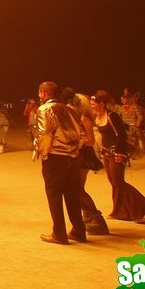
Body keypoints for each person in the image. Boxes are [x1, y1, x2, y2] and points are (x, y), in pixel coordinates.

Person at [91, 91, 145, 222]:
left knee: (119, 182)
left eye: (94, 104)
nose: (92, 106)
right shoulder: (97, 117)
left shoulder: (112, 116)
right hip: (106, 153)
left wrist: (120, 153)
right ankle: (119, 211)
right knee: (113, 183)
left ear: (102, 104)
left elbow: (121, 135)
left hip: (116, 153)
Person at [34, 81, 86, 244]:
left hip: (55, 158)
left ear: (43, 93)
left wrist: (43, 153)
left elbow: (44, 135)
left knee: (54, 195)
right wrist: (74, 149)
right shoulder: (69, 109)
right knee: (72, 195)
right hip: (73, 157)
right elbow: (83, 133)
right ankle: (79, 230)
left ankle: (59, 233)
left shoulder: (44, 109)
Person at [61, 88, 109, 235]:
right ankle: (89, 216)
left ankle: (95, 217)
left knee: (77, 190)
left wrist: (75, 142)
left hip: (84, 156)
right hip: (80, 155)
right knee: (76, 189)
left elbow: (90, 140)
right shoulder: (77, 118)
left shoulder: (84, 118)